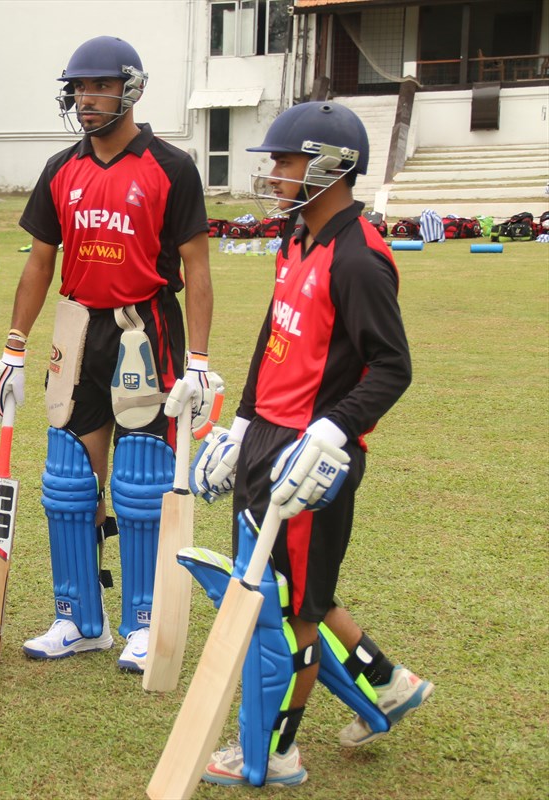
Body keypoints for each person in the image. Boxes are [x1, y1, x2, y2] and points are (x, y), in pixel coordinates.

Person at [191, 101, 433, 788]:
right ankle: (387, 682)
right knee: (294, 592)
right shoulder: (296, 236)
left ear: (331, 166)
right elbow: (275, 339)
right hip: (268, 439)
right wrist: (243, 423)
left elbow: (392, 368)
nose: (273, 173)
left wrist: (332, 430)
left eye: (285, 160)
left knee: (289, 612)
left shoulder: (360, 259)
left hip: (311, 455)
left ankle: (275, 750)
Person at [0, 36, 219, 671]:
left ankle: (143, 622)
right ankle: (80, 619)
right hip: (76, 329)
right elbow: (39, 262)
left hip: (145, 327)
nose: (87, 99)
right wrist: (14, 348)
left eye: (101, 86)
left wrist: (198, 361)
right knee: (69, 482)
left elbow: (197, 268)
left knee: (140, 481)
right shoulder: (61, 168)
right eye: (79, 88)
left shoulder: (171, 167)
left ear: (130, 88)